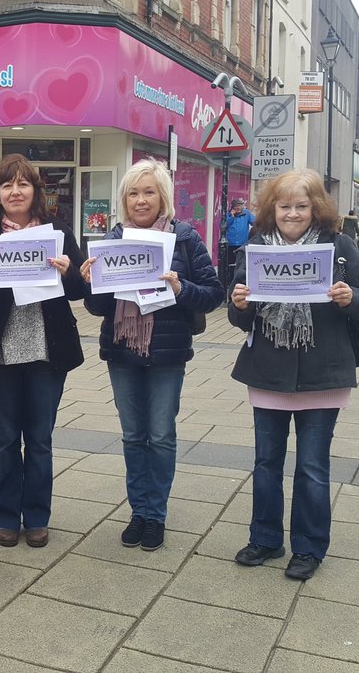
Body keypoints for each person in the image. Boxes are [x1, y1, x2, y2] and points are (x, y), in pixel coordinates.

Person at [227, 169, 359, 581]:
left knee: (313, 466)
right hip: (268, 373)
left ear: (317, 208)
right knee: (266, 462)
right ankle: (265, 538)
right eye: (284, 206)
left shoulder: (340, 247)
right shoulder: (256, 247)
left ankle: (310, 548)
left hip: (323, 375)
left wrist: (351, 297)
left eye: (301, 205)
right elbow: (237, 317)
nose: (292, 213)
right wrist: (239, 303)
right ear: (271, 209)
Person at [80, 158, 224, 552]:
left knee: (160, 436)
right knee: (132, 435)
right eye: (133, 193)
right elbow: (97, 310)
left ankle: (156, 515)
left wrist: (182, 290)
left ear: (162, 197)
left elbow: (214, 293)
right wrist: (92, 283)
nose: (141, 200)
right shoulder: (111, 241)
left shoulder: (185, 237)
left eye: (149, 192)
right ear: (123, 200)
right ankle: (138, 511)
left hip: (167, 353)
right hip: (122, 350)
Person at [0, 154, 86, 548]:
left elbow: (82, 289)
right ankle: (4, 516)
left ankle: (36, 516)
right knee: (2, 439)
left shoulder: (57, 231)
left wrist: (69, 271)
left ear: (35, 190)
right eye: (6, 185)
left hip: (46, 354)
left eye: (23, 184)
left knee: (40, 440)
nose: (15, 192)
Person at [225, 198, 255, 273]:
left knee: (241, 264)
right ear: (232, 207)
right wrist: (231, 217)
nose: (238, 207)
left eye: (240, 206)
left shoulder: (247, 213)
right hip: (230, 244)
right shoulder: (228, 215)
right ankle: (230, 280)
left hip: (242, 244)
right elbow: (223, 227)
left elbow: (255, 223)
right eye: (236, 206)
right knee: (230, 264)